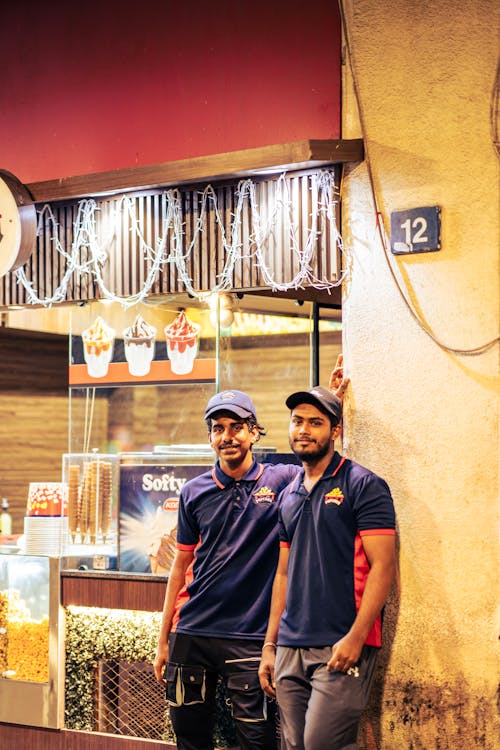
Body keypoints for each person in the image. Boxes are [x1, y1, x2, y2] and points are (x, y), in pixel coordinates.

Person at [153, 360, 348, 750]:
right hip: (192, 632)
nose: (228, 437)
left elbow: (320, 457)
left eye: (237, 427)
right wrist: (163, 640)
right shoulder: (194, 491)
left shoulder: (281, 479)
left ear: (254, 432)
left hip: (249, 637)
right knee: (189, 740)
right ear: (210, 437)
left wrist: (333, 400)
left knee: (257, 742)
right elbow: (181, 566)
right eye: (218, 429)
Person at [258, 386, 396, 750]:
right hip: (290, 646)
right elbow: (283, 575)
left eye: (315, 423)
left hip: (341, 643)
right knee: (293, 746)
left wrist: (356, 637)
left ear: (335, 431)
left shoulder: (364, 485)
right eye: (297, 421)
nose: (304, 430)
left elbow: (384, 567)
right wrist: (271, 645)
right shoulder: (289, 495)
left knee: (322, 744)